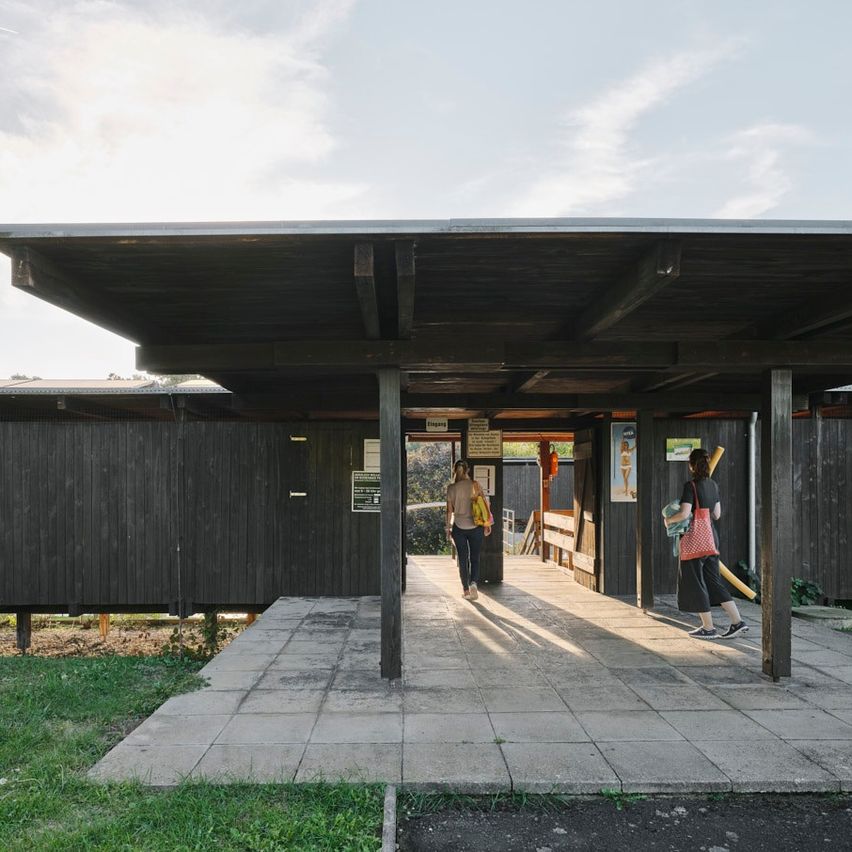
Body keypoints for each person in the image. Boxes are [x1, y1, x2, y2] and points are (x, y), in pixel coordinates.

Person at [664, 447, 749, 640]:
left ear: (691, 465)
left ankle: (708, 627)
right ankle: (737, 622)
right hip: (710, 539)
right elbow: (717, 514)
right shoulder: (713, 485)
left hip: (695, 542)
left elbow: (684, 514)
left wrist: (668, 520)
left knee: (695, 582)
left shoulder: (690, 486)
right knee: (713, 581)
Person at [445, 460, 491, 600]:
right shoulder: (475, 485)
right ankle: (474, 583)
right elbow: (484, 505)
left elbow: (449, 511)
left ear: (455, 470)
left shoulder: (451, 488)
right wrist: (487, 524)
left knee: (463, 560)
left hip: (459, 527)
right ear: (468, 470)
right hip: (476, 526)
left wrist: (448, 528)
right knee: (475, 558)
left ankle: (465, 590)